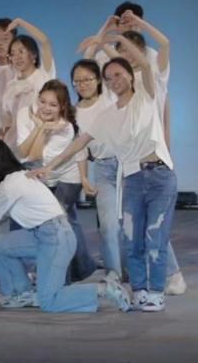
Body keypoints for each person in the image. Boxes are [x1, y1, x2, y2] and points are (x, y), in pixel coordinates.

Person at [32, 33, 175, 312]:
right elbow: (78, 144)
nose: (114, 80)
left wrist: (117, 36)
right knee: (131, 239)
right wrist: (49, 166)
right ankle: (139, 290)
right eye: (108, 77)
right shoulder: (107, 115)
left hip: (159, 175)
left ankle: (157, 291)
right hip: (132, 179)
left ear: (130, 75)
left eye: (118, 74)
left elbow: (146, 65)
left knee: (154, 237)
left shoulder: (146, 96)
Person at [0, 139, 132, 313]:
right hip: (44, 235)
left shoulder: (10, 185)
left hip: (56, 239)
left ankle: (104, 289)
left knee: (50, 301)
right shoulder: (19, 177)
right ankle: (20, 294)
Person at [80, 5, 187, 295]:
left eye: (130, 51)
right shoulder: (117, 76)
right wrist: (106, 31)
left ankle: (171, 274)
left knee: (152, 225)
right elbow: (88, 61)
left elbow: (163, 48)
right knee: (119, 225)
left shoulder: (151, 72)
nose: (125, 56)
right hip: (115, 156)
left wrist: (133, 27)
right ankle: (120, 276)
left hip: (146, 156)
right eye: (121, 53)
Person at [15, 80, 95, 282]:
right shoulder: (28, 115)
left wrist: (40, 129)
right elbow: (24, 153)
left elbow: (35, 156)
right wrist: (40, 128)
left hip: (68, 178)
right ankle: (81, 267)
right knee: (60, 222)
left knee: (57, 223)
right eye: (42, 102)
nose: (46, 108)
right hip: (45, 176)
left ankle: (61, 277)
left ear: (62, 107)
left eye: (53, 105)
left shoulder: (66, 127)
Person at [69, 59, 122, 280]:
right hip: (103, 167)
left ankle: (141, 270)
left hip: (127, 163)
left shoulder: (109, 98)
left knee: (132, 223)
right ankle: (114, 273)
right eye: (77, 81)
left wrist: (102, 43)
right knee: (108, 225)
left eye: (87, 79)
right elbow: (80, 149)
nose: (82, 85)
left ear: (98, 80)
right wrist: (83, 178)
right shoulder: (74, 113)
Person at [0, 18, 56, 150]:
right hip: (15, 149)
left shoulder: (44, 75)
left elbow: (45, 42)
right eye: (13, 54)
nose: (17, 57)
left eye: (21, 51)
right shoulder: (10, 86)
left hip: (40, 146)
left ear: (34, 54)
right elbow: (8, 122)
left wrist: (21, 23)